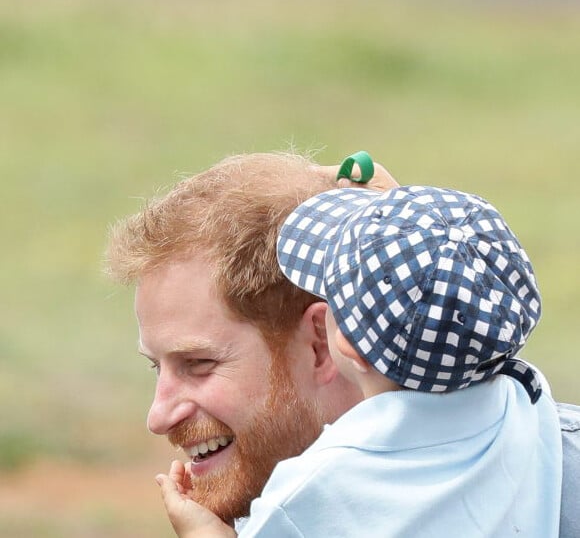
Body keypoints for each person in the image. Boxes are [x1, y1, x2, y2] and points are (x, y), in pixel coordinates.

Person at [105, 152, 579, 536]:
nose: (157, 417)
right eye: (157, 367)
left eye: (199, 363)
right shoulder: (548, 454)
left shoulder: (305, 505)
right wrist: (414, 250)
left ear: (323, 341)